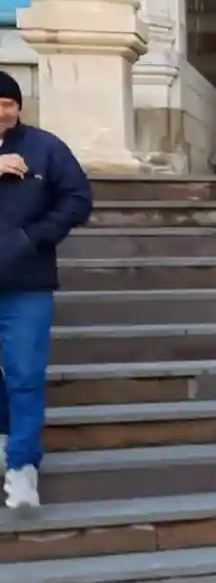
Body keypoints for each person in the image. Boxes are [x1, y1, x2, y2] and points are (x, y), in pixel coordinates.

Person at [0, 71, 92, 509]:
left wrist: (33, 239)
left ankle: (22, 466)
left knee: (25, 373)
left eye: (8, 104)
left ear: (19, 107)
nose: (2, 112)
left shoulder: (45, 147)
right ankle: (6, 435)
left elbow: (78, 198)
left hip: (26, 284)